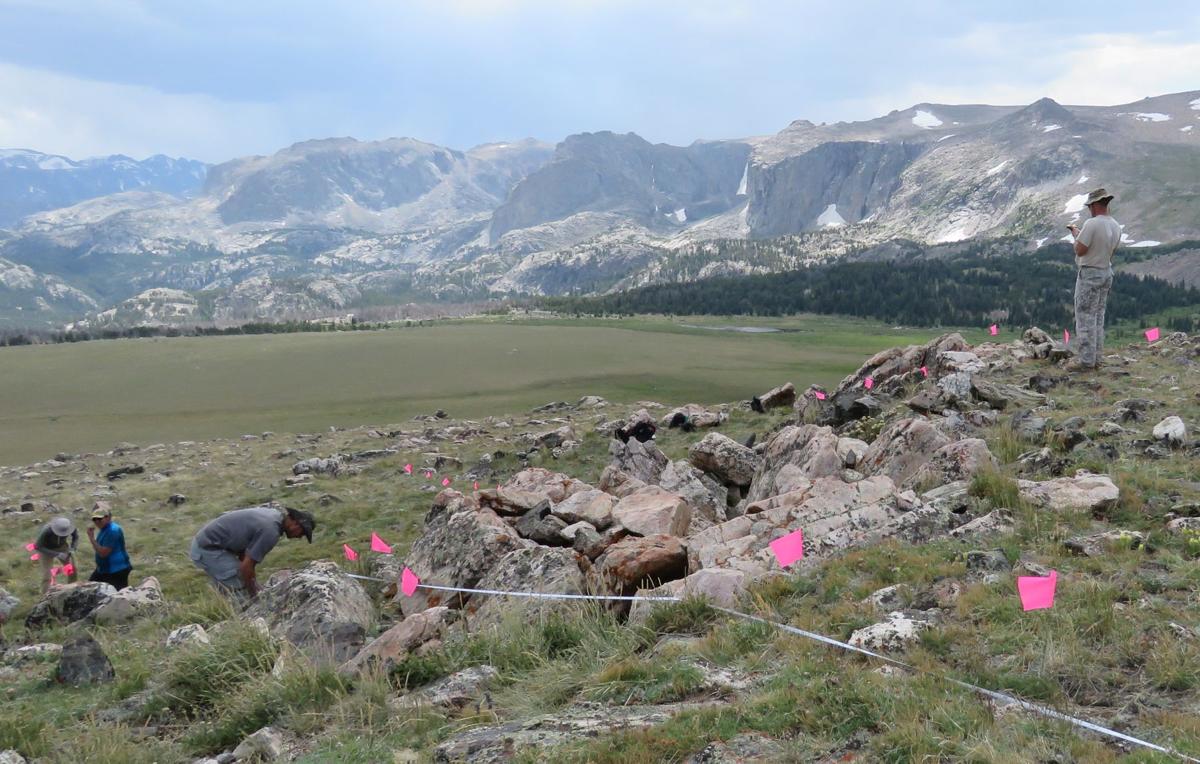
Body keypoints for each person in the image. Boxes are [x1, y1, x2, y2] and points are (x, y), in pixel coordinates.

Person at [189, 504, 315, 599]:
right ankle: (243, 625)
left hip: (210, 543)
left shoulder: (274, 515)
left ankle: (224, 612)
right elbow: (246, 566)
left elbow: (245, 554)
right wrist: (254, 594)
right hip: (208, 548)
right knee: (242, 592)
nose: (299, 537)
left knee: (234, 587)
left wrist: (254, 585)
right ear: (296, 524)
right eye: (302, 533)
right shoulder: (271, 531)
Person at [1066, 187, 1121, 371]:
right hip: (1106, 272)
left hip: (1089, 274)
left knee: (1085, 317)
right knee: (1098, 316)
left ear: (1095, 205)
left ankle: (1086, 362)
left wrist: (1076, 236)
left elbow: (1080, 250)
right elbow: (1111, 251)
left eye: (1090, 205)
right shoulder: (1115, 225)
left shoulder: (1092, 224)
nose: (1090, 209)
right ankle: (1097, 358)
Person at [86, 504, 133, 590]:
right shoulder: (104, 529)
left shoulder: (113, 531)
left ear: (107, 517)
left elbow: (103, 553)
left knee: (117, 596)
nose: (96, 522)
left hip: (116, 570)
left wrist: (92, 538)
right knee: (90, 589)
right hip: (104, 570)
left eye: (99, 519)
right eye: (94, 519)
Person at [34, 516, 78, 592]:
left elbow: (76, 537)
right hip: (45, 549)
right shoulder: (47, 530)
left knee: (72, 568)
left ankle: (71, 589)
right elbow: (37, 546)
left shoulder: (70, 527)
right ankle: (46, 596)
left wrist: (72, 549)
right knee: (47, 575)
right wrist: (57, 554)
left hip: (62, 546)